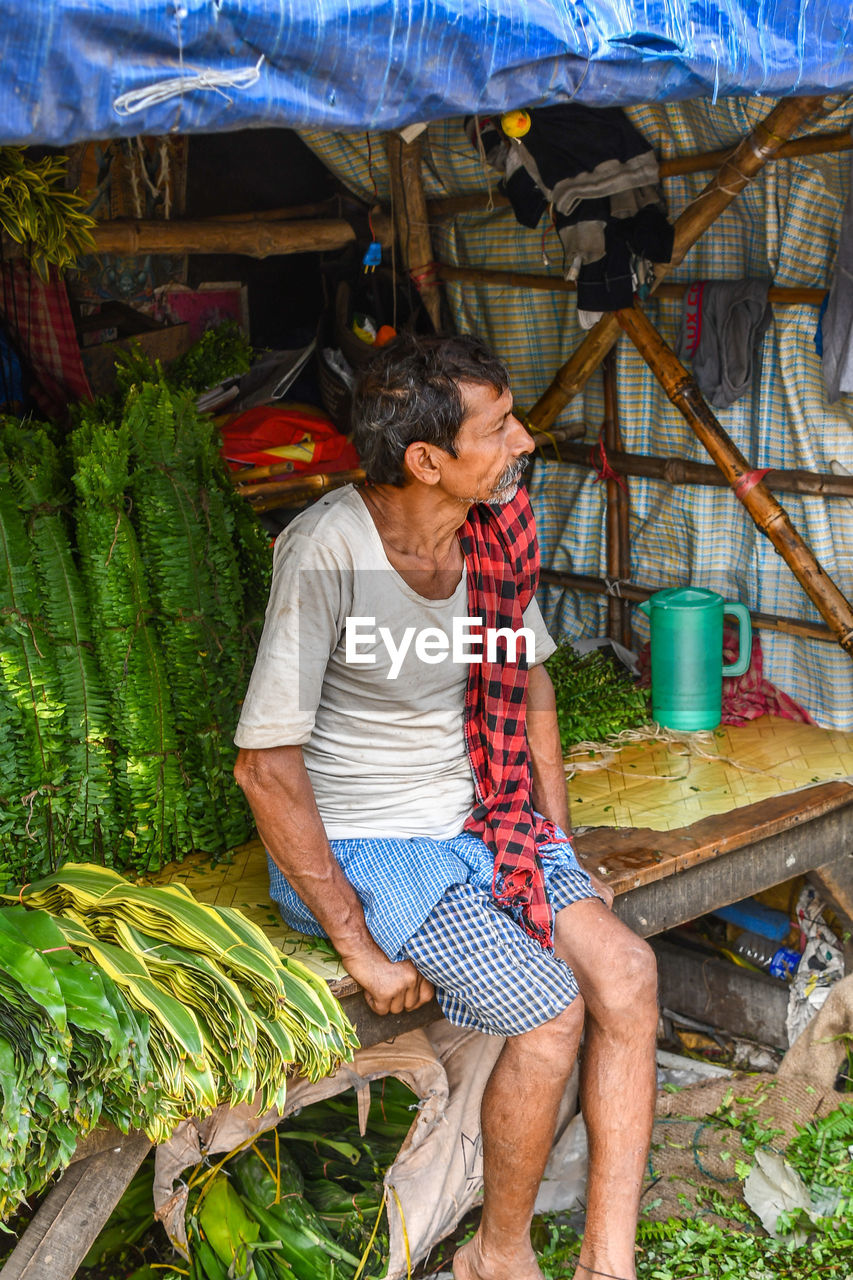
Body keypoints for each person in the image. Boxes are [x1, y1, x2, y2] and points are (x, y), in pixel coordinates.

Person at [234, 334, 658, 1280]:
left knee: (625, 975)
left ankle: (607, 1266)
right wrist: (355, 946)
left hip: (484, 824)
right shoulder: (326, 551)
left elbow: (530, 686)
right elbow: (265, 766)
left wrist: (555, 838)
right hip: (369, 851)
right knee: (549, 1017)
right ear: (426, 460)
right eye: (498, 427)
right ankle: (496, 1258)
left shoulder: (489, 536)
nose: (523, 444)